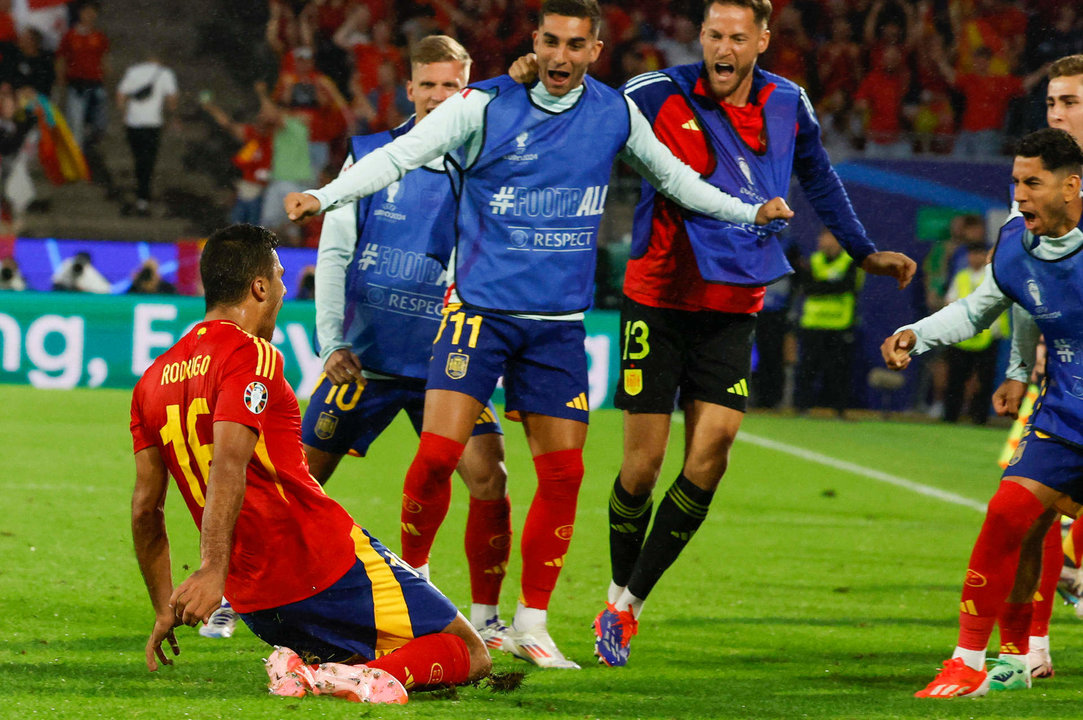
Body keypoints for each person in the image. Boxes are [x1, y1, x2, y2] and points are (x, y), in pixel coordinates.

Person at [283, 0, 794, 669]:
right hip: (479, 315)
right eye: (549, 42)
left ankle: (531, 623)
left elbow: (677, 181)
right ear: (534, 42)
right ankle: (410, 587)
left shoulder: (613, 113)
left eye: (574, 45)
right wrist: (327, 197)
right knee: (437, 455)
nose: (560, 57)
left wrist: (749, 211)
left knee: (564, 474)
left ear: (595, 49)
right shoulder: (485, 105)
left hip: (556, 326)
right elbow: (402, 154)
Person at [586, 0, 916, 668]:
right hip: (658, 295)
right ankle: (616, 590)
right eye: (713, 34)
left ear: (762, 40)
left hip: (736, 297)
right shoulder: (653, 93)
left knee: (714, 447)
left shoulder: (788, 102)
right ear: (699, 38)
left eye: (737, 36)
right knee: (642, 467)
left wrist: (860, 250)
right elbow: (585, 115)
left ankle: (626, 606)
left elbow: (819, 176)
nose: (723, 47)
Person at [129, 223, 491, 702]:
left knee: (380, 646)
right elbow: (229, 463)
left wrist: (163, 606)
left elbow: (144, 509)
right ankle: (336, 678)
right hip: (322, 562)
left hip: (256, 601)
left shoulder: (151, 380)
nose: (282, 288)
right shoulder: (251, 353)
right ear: (260, 286)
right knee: (468, 651)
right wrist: (211, 569)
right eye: (279, 276)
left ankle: (307, 666)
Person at [299, 34, 514, 652]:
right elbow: (335, 250)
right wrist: (331, 341)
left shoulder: (486, 166)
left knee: (489, 477)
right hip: (363, 362)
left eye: (454, 86)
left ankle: (488, 616)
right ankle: (237, 594)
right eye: (430, 85)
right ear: (411, 88)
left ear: (468, 88)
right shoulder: (372, 155)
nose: (441, 97)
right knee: (298, 482)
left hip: (448, 360)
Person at [881, 127, 1083, 698]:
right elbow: (979, 309)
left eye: (1032, 183)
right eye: (1015, 181)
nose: (1018, 195)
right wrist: (914, 334)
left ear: (1071, 187)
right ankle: (978, 660)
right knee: (1008, 515)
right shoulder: (1017, 242)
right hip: (1066, 420)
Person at [794, 230, 863, 416]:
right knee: (808, 369)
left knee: (838, 371)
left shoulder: (849, 262)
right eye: (821, 236)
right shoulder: (814, 261)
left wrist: (821, 286)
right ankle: (802, 407)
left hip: (839, 325)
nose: (821, 240)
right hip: (813, 324)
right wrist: (830, 286)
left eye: (827, 237)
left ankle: (839, 409)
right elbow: (808, 288)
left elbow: (847, 286)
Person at [941, 240, 1005, 425]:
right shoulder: (961, 277)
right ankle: (950, 416)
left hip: (988, 336)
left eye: (978, 253)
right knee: (956, 379)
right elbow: (949, 301)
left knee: (985, 381)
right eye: (971, 253)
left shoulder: (994, 277)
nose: (974, 258)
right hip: (962, 337)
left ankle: (979, 418)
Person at [116, 54, 178, 216]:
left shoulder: (133, 71)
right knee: (148, 160)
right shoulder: (165, 73)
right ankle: (143, 196)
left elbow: (120, 95)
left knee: (139, 158)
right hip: (152, 123)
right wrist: (170, 117)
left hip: (133, 122)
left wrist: (124, 114)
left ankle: (142, 193)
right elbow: (172, 99)